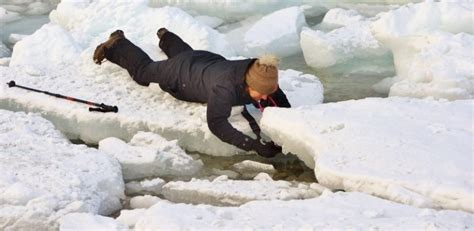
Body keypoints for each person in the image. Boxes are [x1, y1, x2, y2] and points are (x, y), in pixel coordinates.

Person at [93, 28, 291, 158]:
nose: (265, 98)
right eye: (261, 94)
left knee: (187, 56)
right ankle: (117, 44)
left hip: (204, 59)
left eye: (268, 93)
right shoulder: (224, 89)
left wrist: (287, 133)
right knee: (143, 72)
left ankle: (167, 38)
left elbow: (277, 97)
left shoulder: (261, 71)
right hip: (181, 75)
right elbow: (217, 123)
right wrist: (254, 145)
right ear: (247, 84)